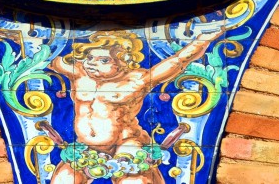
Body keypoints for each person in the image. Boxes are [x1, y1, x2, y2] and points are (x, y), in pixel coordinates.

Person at [45, 29, 225, 184]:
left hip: (126, 144)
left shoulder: (136, 80)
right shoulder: (78, 73)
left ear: (123, 62)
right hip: (86, 147)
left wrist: (205, 38)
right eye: (90, 57)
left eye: (103, 60)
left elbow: (178, 61)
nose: (92, 63)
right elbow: (46, 56)